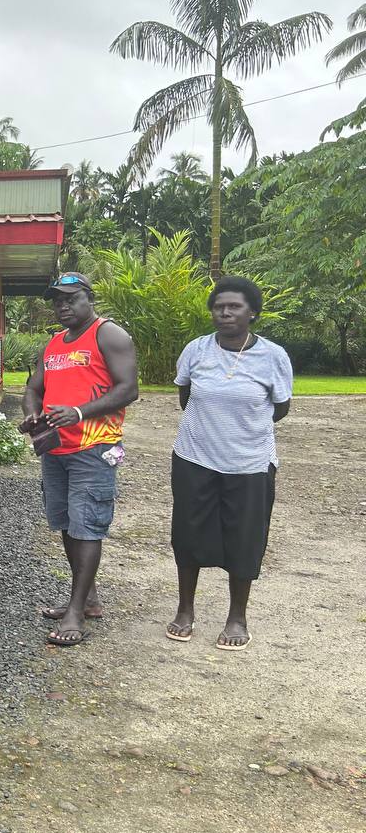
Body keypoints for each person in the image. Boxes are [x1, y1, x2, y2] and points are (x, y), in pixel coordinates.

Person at [166, 276, 292, 651]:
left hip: (250, 463)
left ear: (252, 312)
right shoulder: (197, 350)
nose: (225, 312)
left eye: (234, 306)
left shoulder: (273, 356)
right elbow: (186, 396)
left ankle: (237, 616)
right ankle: (185, 610)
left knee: (245, 538)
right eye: (219, 306)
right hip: (194, 458)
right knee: (187, 534)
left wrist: (241, 432)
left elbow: (280, 408)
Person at [21, 272, 138, 647]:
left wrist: (80, 412)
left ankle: (75, 611)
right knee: (68, 524)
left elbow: (128, 389)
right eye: (57, 301)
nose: (63, 306)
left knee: (87, 525)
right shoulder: (54, 343)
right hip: (55, 449)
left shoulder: (109, 334)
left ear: (90, 298)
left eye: (71, 299)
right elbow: (33, 388)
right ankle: (86, 599)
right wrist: (31, 413)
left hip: (94, 447)